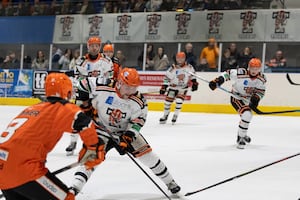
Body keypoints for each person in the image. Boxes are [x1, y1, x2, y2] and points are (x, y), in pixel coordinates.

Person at [69, 67, 181, 196]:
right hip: (100, 128)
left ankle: (170, 182)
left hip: (123, 132)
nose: (131, 91)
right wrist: (86, 106)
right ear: (119, 83)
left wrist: (127, 138)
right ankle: (75, 187)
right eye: (128, 87)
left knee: (149, 156)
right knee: (91, 159)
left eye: (134, 88)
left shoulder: (139, 101)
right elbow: (82, 84)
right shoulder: (103, 84)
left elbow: (138, 122)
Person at [0, 72, 104, 200]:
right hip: (25, 170)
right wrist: (93, 148)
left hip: (2, 170)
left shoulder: (32, 108)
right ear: (69, 93)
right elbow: (83, 122)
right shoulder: (61, 107)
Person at [65, 36, 113, 156]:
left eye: (97, 45)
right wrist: (83, 90)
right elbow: (77, 79)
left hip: (99, 95)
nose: (94, 48)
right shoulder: (81, 61)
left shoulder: (106, 61)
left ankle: (98, 143)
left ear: (99, 46)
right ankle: (73, 142)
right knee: (77, 117)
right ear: (88, 46)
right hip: (84, 94)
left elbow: (110, 80)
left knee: (100, 120)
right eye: (92, 45)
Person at [208, 58, 266, 149]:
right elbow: (227, 74)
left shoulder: (261, 78)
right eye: (252, 68)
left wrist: (256, 99)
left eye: (257, 68)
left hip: (247, 100)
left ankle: (243, 133)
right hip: (236, 98)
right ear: (248, 67)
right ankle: (240, 138)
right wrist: (218, 81)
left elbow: (260, 92)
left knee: (246, 117)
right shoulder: (241, 73)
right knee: (247, 114)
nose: (254, 71)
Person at [159, 52, 198, 124]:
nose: (180, 60)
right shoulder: (173, 68)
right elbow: (167, 78)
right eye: (178, 58)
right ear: (176, 58)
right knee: (167, 102)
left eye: (182, 58)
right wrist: (164, 87)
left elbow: (193, 75)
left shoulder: (189, 67)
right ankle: (165, 115)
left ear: (185, 58)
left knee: (179, 101)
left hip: (183, 88)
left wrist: (195, 83)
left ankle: (175, 115)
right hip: (173, 87)